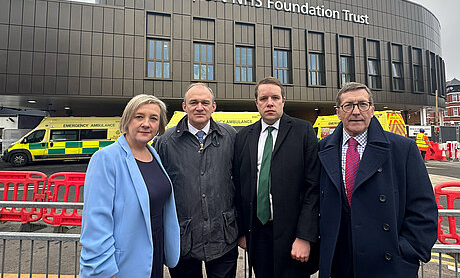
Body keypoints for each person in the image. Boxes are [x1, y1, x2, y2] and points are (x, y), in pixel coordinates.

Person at [317, 82, 438, 278]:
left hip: (387, 263)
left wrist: (408, 250)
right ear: (338, 112)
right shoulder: (323, 149)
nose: (356, 111)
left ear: (372, 109)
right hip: (338, 262)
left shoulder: (403, 148)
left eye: (362, 104)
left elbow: (424, 207)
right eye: (348, 105)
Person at [79, 94, 180, 278]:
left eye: (153, 118)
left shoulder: (153, 154)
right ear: (127, 119)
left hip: (152, 255)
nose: (146, 123)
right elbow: (96, 222)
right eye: (139, 116)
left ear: (159, 126)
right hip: (121, 265)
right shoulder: (106, 158)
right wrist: (104, 270)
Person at [233, 76, 320, 278]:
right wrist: (242, 231)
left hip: (293, 235)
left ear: (283, 101)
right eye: (263, 98)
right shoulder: (244, 137)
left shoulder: (303, 130)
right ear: (256, 103)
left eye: (275, 97)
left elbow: (313, 186)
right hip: (258, 233)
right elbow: (239, 186)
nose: (269, 103)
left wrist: (304, 236)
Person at [154, 83, 238, 278]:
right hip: (183, 238)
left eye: (205, 102)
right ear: (184, 106)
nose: (199, 107)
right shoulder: (165, 142)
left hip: (223, 236)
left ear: (213, 106)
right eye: (193, 102)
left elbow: (241, 183)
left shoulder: (230, 136)